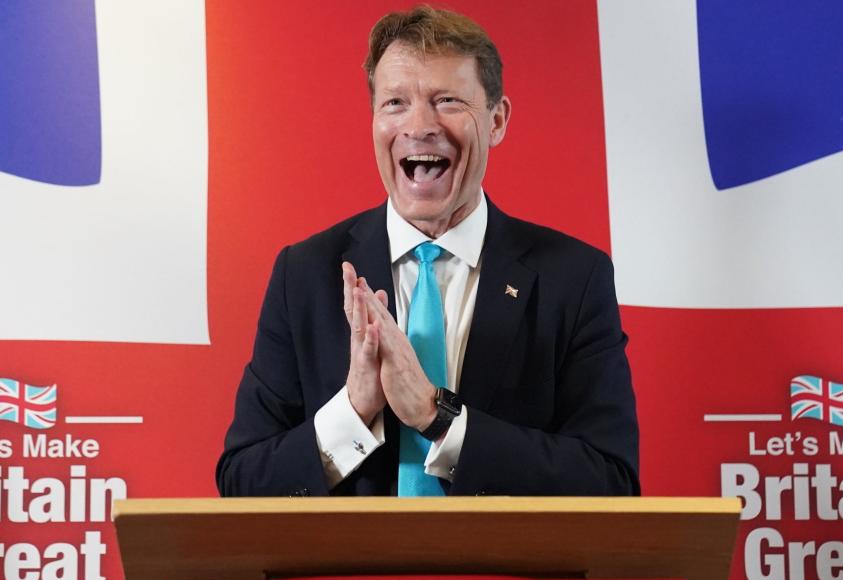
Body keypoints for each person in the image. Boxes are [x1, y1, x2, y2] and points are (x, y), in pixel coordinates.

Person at [216, 5, 638, 497]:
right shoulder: (304, 275)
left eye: (447, 101)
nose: (419, 126)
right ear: (374, 119)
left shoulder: (573, 278)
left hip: (499, 574)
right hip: (353, 575)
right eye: (395, 103)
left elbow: (610, 483)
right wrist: (353, 410)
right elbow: (242, 484)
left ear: (497, 120)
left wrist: (439, 417)